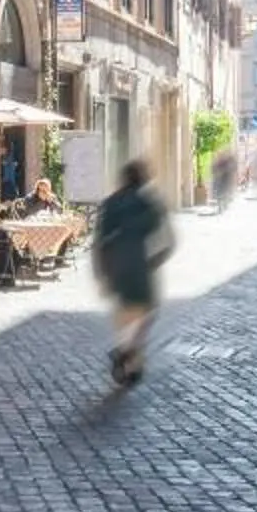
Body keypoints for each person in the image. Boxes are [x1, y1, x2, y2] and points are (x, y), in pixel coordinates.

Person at [91, 159, 173, 386]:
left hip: (115, 264)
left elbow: (99, 242)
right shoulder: (151, 203)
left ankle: (128, 356)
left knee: (125, 312)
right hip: (139, 263)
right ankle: (127, 352)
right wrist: (156, 260)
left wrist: (101, 273)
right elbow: (169, 241)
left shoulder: (110, 203)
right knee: (148, 311)